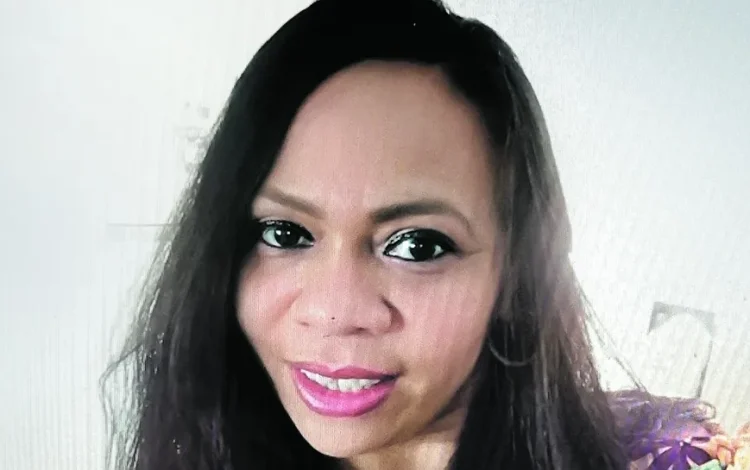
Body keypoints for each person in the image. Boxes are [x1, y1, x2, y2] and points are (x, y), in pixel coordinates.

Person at [101, 0, 719, 469]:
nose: (335, 311)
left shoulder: (672, 457)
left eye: (417, 245)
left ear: (515, 275)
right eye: (285, 233)